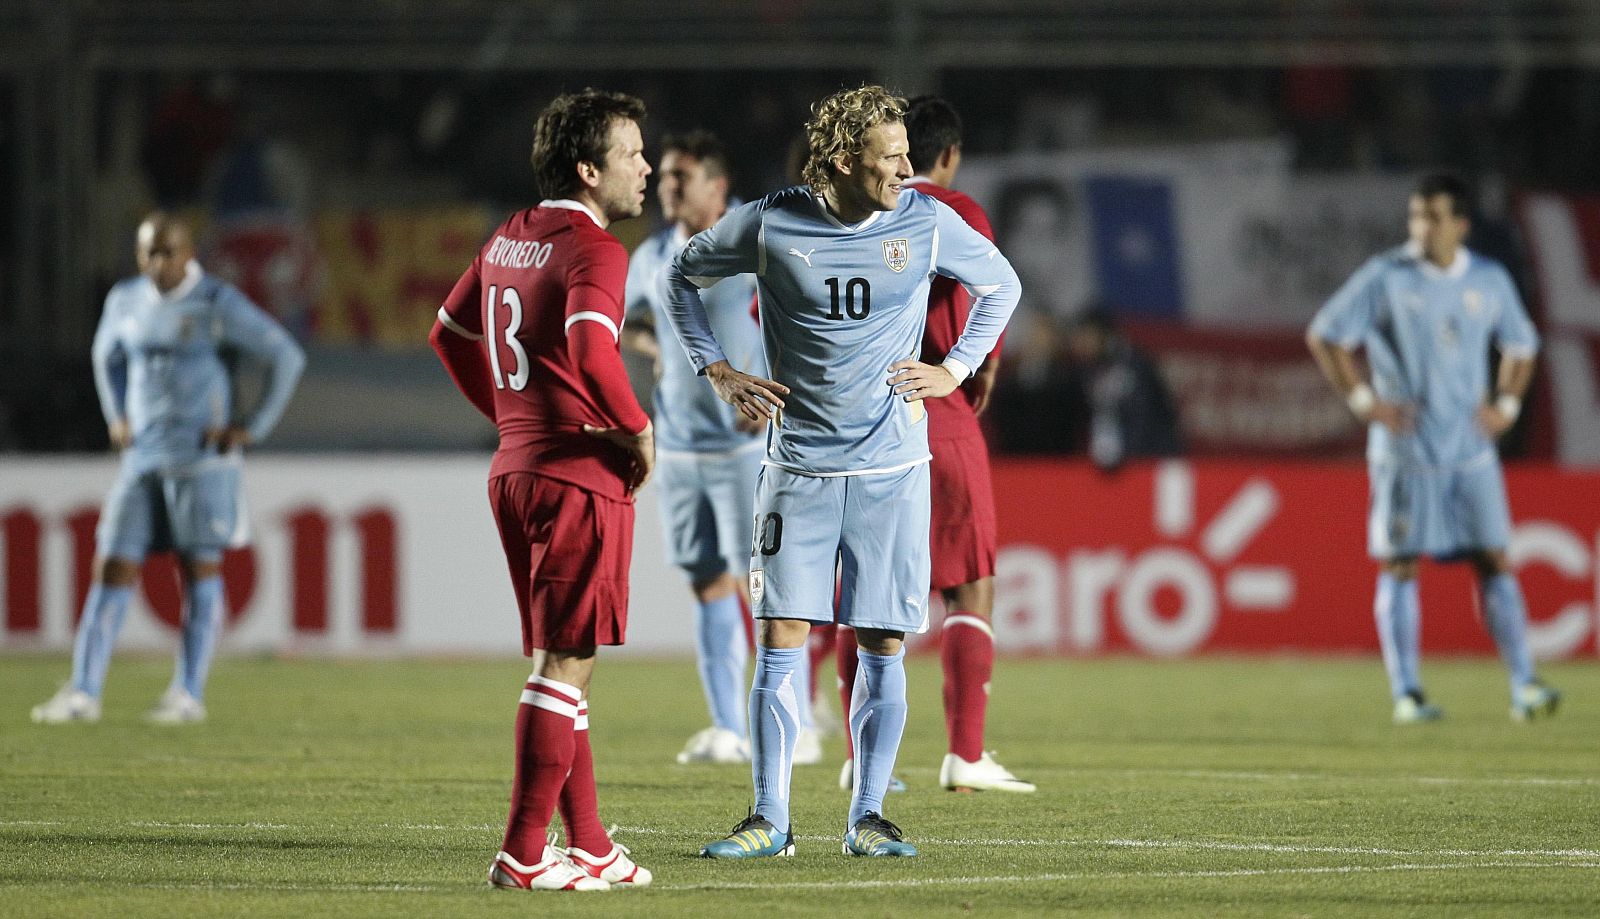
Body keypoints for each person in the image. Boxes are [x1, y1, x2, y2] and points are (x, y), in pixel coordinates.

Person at [666, 85, 1020, 859]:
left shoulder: (926, 222)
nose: (905, 167)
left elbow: (1003, 284)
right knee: (781, 637)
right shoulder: (770, 220)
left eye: (905, 152)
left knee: (882, 641)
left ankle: (869, 816)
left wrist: (955, 369)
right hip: (798, 468)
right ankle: (770, 818)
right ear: (840, 160)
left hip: (893, 467)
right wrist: (718, 369)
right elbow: (680, 279)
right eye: (889, 156)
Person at [430, 88, 656, 892]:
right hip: (574, 475)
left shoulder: (511, 235)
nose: (647, 167)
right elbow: (594, 354)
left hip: (518, 468)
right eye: (632, 153)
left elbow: (447, 333)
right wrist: (637, 427)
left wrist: (512, 417)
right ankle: (525, 852)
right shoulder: (595, 250)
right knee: (565, 660)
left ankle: (588, 843)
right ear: (590, 169)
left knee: (563, 656)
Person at [829, 95, 1034, 795]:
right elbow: (996, 287)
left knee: (862, 593)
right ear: (941, 154)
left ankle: (861, 758)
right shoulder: (948, 207)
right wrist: (971, 364)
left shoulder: (836, 211)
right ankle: (965, 753)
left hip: (856, 424)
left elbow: (772, 307)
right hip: (935, 412)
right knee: (969, 584)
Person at [1306, 172, 1561, 725]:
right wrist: (1361, 400)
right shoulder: (1386, 276)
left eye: (1434, 217)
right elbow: (1325, 333)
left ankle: (1525, 685)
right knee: (1400, 564)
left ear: (1461, 225)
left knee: (1494, 558)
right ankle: (1407, 692)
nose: (1422, 228)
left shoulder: (1489, 280)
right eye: (1416, 216)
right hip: (1405, 451)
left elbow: (1522, 345)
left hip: (1470, 451)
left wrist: (1507, 407)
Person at [31, 213, 305, 725]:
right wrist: (116, 416)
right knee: (112, 565)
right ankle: (83, 693)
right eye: (147, 252)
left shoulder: (216, 305)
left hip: (201, 463)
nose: (156, 263)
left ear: (188, 253)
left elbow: (285, 355)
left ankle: (187, 693)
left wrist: (253, 424)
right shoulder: (124, 300)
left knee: (198, 569)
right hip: (142, 460)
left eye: (166, 252)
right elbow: (103, 355)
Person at [620, 130, 823, 767]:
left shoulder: (756, 240)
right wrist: (663, 357)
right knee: (707, 583)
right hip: (679, 446)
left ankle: (801, 725)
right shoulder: (651, 254)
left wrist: (773, 386)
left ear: (717, 184)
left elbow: (803, 315)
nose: (667, 187)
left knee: (766, 586)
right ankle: (727, 727)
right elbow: (634, 325)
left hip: (748, 447)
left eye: (682, 177)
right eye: (667, 176)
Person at [1064, 307, 1185, 472]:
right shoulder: (1084, 371)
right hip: (1111, 465)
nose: (1081, 343)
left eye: (1087, 336)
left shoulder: (1135, 365)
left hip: (1149, 461)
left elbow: (1144, 417)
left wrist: (1127, 457)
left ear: (1104, 335)